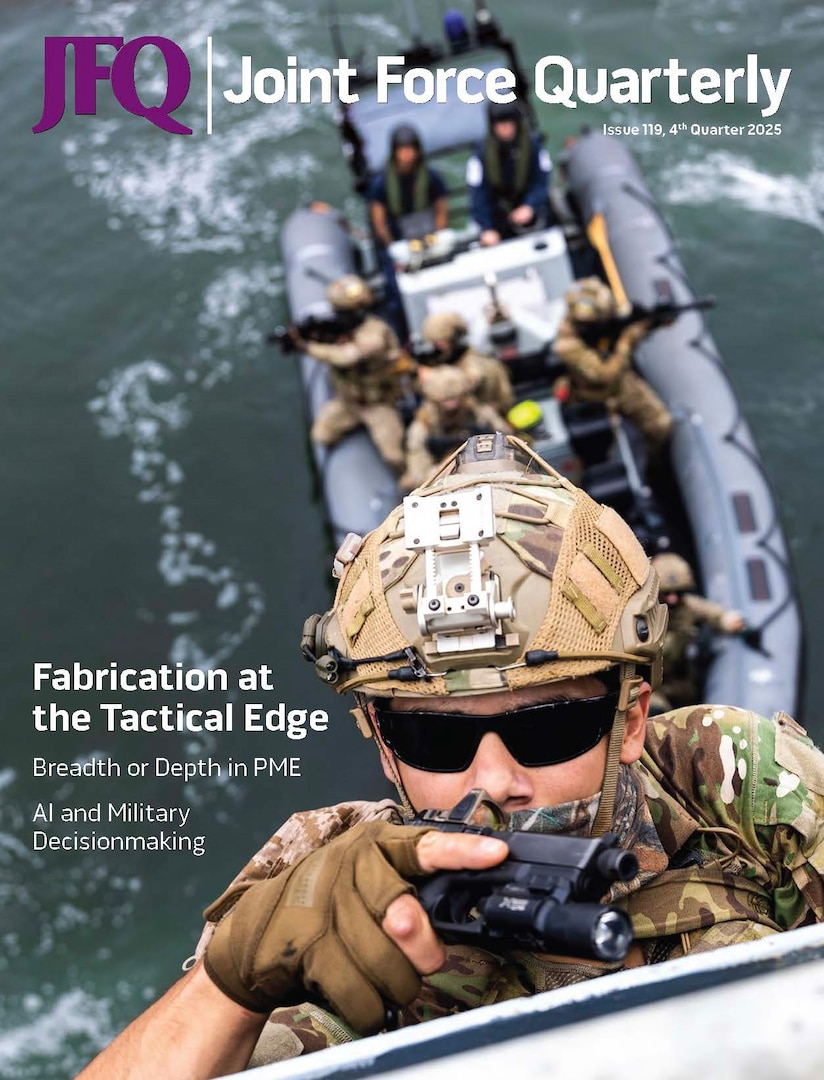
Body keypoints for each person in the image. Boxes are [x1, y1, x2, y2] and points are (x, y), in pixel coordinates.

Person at [77, 434, 824, 1079]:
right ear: (382, 743)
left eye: (547, 727)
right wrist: (231, 985)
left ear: (630, 721)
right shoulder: (322, 883)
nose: (495, 780)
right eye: (436, 738)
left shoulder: (729, 779)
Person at [298, 274, 409, 473]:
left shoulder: (374, 334)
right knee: (321, 435)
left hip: (378, 403)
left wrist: (308, 347)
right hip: (348, 401)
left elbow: (346, 356)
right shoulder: (342, 330)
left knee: (394, 456)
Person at [553, 277, 674, 449]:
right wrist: (626, 342)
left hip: (621, 383)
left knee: (661, 425)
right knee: (601, 446)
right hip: (590, 394)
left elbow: (625, 320)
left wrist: (653, 321)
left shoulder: (605, 314)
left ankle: (655, 465)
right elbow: (604, 374)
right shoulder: (567, 344)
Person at [651, 552, 747, 710]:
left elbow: (711, 613)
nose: (673, 599)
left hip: (680, 679)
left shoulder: (686, 607)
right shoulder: (646, 615)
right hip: (654, 684)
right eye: (667, 593)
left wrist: (730, 622)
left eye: (678, 593)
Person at [400, 366, 511, 491]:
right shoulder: (424, 424)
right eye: (445, 403)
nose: (452, 409)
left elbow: (506, 437)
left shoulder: (477, 412)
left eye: (456, 401)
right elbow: (419, 471)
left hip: (485, 465)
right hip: (445, 477)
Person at [467, 100, 553, 246]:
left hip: (533, 213)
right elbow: (478, 195)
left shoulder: (533, 146)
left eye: (509, 123)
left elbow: (542, 181)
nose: (505, 128)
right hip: (500, 221)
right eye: (500, 124)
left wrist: (530, 206)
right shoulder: (480, 156)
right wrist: (487, 228)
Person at [421, 310, 514, 415]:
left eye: (439, 343)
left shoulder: (473, 362)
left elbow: (465, 383)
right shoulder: (451, 359)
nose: (435, 347)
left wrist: (432, 377)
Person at [369, 125, 449, 246]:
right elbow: (379, 221)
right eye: (402, 149)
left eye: (410, 149)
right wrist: (391, 245)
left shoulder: (430, 176)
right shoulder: (381, 183)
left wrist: (437, 237)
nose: (407, 154)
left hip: (428, 233)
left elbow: (441, 210)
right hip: (399, 239)